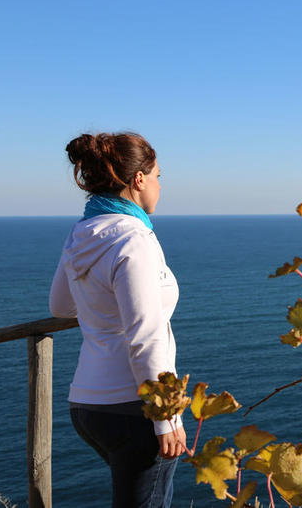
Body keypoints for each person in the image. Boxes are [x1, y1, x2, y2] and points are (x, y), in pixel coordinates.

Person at [49, 132, 186, 508]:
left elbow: (61, 305)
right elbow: (147, 334)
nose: (160, 185)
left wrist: (102, 309)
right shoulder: (133, 241)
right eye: (158, 175)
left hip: (87, 406)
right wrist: (166, 418)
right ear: (139, 179)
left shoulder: (82, 232)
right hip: (133, 406)